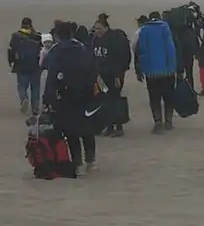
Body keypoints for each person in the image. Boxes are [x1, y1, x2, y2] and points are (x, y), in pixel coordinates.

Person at [43, 21, 99, 174]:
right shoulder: (82, 48)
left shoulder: (56, 51)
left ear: (57, 35)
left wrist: (47, 99)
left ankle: (78, 163)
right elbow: (93, 70)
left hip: (65, 98)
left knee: (71, 131)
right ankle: (91, 162)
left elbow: (51, 77)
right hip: (85, 96)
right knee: (87, 130)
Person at [134, 11, 178, 134]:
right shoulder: (165, 28)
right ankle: (168, 121)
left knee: (154, 98)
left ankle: (158, 121)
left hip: (151, 72)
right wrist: (173, 67)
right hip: (167, 71)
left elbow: (141, 51)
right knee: (168, 97)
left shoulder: (144, 30)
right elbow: (171, 49)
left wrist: (141, 70)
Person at [91, 18, 131, 137]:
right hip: (100, 77)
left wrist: (118, 76)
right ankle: (109, 126)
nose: (97, 31)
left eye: (99, 28)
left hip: (114, 76)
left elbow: (119, 59)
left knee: (114, 99)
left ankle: (119, 126)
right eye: (95, 28)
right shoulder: (95, 40)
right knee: (104, 99)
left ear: (106, 28)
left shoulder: (114, 40)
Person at [9, 17, 43, 116]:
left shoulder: (15, 36)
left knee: (22, 86)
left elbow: (11, 49)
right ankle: (35, 108)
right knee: (35, 88)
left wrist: (11, 62)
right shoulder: (37, 36)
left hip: (21, 65)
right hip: (35, 66)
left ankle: (24, 99)